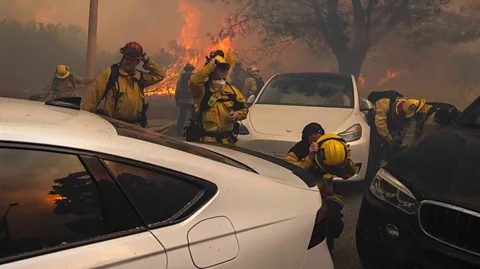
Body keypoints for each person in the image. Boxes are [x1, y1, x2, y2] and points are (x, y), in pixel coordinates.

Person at [285, 123, 356, 251]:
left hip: (325, 196)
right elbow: (289, 173)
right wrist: (309, 159)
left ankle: (327, 249)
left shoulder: (327, 150)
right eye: (312, 142)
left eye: (319, 141)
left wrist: (343, 160)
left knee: (331, 221)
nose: (316, 145)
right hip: (301, 196)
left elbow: (348, 174)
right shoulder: (296, 152)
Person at [82, 41, 165, 127]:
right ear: (122, 58)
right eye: (126, 58)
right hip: (113, 126)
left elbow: (159, 75)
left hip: (135, 126)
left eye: (132, 60)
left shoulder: (139, 77)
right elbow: (93, 99)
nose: (128, 62)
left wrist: (145, 59)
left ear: (137, 62)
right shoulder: (110, 74)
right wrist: (85, 122)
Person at [187, 50, 248, 145]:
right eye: (221, 68)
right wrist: (210, 66)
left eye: (226, 68)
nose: (224, 70)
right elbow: (194, 82)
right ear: (212, 70)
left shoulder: (232, 91)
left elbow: (244, 110)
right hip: (208, 143)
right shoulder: (202, 90)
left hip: (229, 142)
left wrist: (237, 114)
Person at [367, 90, 425, 160]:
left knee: (396, 145)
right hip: (374, 120)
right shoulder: (384, 104)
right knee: (376, 144)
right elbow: (380, 125)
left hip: (390, 120)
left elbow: (405, 125)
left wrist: (399, 137)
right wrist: (389, 140)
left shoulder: (409, 107)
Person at [175, 63, 195, 136]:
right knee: (192, 117)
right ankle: (191, 133)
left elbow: (177, 90)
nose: (189, 71)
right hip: (190, 101)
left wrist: (177, 101)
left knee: (182, 117)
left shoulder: (181, 78)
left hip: (183, 100)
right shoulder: (194, 77)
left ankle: (179, 132)